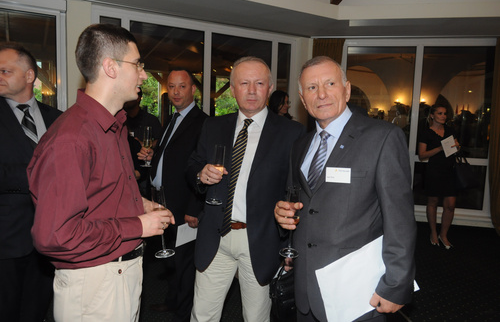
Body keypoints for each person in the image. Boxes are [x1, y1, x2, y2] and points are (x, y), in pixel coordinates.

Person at [27, 23, 175, 322]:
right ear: (110, 67)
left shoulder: (114, 125)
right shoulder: (72, 139)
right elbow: (55, 236)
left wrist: (139, 205)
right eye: (138, 65)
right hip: (95, 284)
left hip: (118, 274)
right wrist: (137, 225)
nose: (144, 75)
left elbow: (100, 195)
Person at [274, 56, 416, 322]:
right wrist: (283, 215)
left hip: (357, 291)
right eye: (312, 88)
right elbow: (300, 203)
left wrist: (396, 285)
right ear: (303, 100)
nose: (322, 94)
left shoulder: (382, 138)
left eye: (330, 83)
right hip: (305, 287)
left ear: (347, 89)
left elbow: (400, 219)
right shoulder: (300, 146)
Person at [187, 56, 305, 322]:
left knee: (256, 317)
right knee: (202, 315)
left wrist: (289, 247)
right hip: (215, 236)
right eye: (244, 83)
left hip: (261, 239)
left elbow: (295, 192)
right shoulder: (213, 126)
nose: (252, 90)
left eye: (259, 83)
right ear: (232, 88)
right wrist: (200, 174)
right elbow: (193, 164)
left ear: (270, 87)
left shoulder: (291, 133)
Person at [0, 42, 62, 322]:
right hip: (7, 239)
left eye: (5, 70)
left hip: (51, 237)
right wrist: (39, 173)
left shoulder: (58, 119)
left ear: (29, 76)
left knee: (38, 310)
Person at [143, 69, 208, 322]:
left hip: (184, 203)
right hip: (162, 200)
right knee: (168, 254)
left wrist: (195, 205)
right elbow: (171, 154)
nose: (176, 92)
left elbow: (203, 165)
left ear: (193, 89)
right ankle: (172, 301)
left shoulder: (203, 122)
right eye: (172, 87)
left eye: (182, 86)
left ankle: (183, 311)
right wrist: (154, 157)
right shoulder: (172, 118)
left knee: (184, 261)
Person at [418, 101, 459, 249]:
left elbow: (455, 148)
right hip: (434, 171)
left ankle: (444, 234)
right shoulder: (426, 133)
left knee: (450, 205)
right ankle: (433, 233)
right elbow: (421, 155)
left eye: (445, 113)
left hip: (450, 171)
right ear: (432, 116)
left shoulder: (450, 130)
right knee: (433, 202)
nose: (443, 116)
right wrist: (440, 148)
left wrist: (456, 147)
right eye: (440, 113)